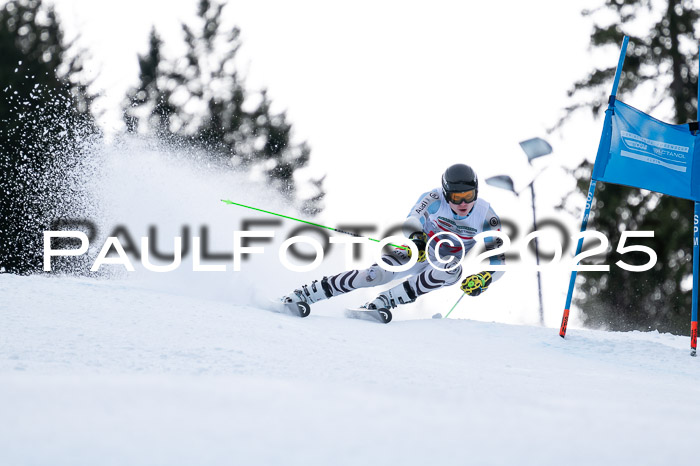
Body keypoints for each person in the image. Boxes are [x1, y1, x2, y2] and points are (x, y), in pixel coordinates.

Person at [282, 163, 506, 321]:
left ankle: (385, 301)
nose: (464, 203)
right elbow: (411, 220)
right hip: (418, 250)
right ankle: (306, 294)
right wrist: (417, 240)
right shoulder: (434, 198)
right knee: (373, 275)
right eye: (457, 197)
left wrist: (484, 278)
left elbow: (499, 259)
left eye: (469, 195)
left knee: (451, 269)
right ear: (447, 194)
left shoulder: (486, 215)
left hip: (444, 265)